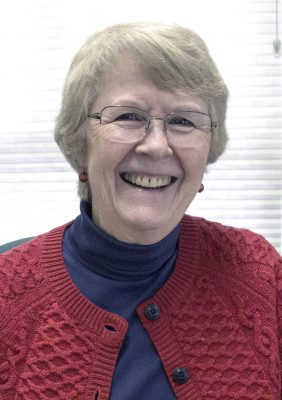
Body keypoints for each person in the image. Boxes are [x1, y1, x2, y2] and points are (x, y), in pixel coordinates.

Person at [0, 22, 281, 400]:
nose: (157, 147)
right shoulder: (7, 293)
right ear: (80, 142)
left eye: (183, 121)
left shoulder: (258, 272)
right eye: (128, 116)